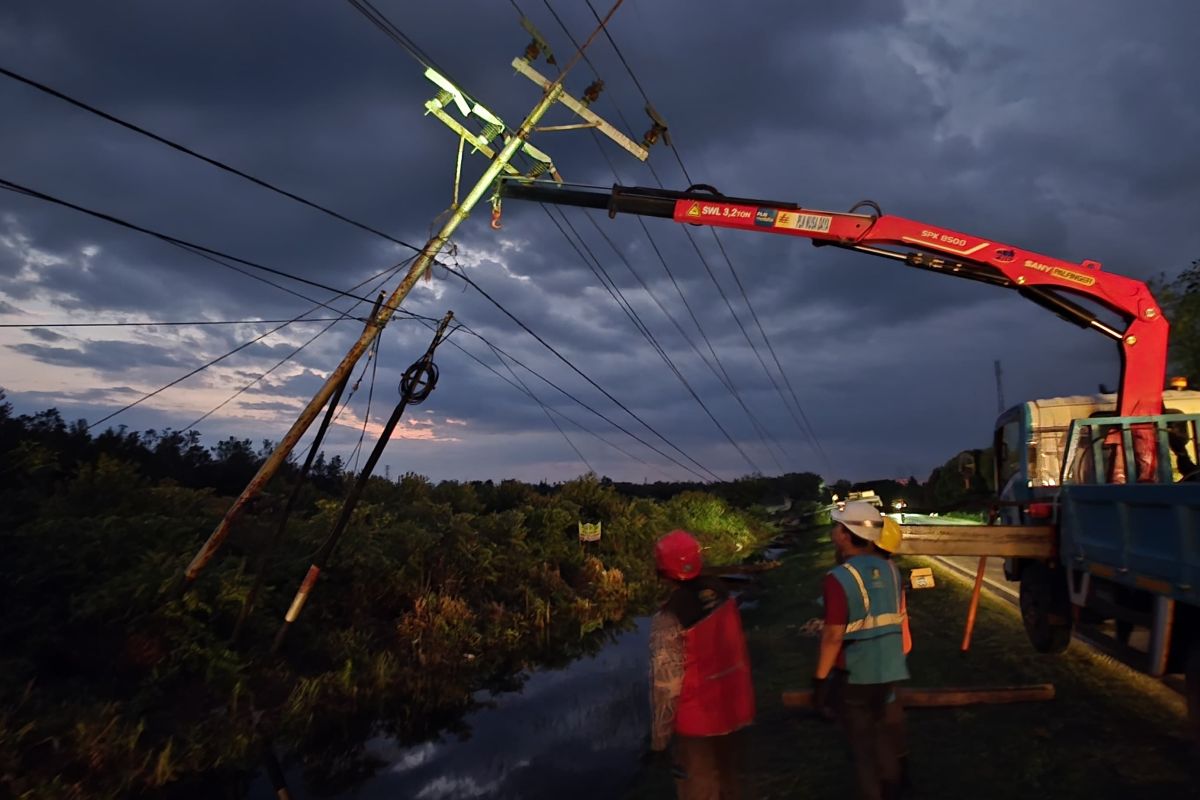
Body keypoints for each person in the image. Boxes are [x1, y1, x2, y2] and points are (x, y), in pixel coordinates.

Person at [812, 501, 911, 800]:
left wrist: (820, 681)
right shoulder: (891, 570)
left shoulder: (838, 578)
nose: (833, 531)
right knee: (881, 732)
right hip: (889, 670)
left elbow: (833, 636)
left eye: (837, 526)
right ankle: (895, 789)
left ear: (846, 534)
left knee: (862, 750)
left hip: (856, 674)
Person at [648, 529, 755, 800]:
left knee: (700, 786)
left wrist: (660, 739)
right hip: (735, 707)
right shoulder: (721, 592)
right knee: (731, 779)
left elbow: (667, 683)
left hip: (697, 720)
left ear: (662, 571)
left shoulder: (669, 616)